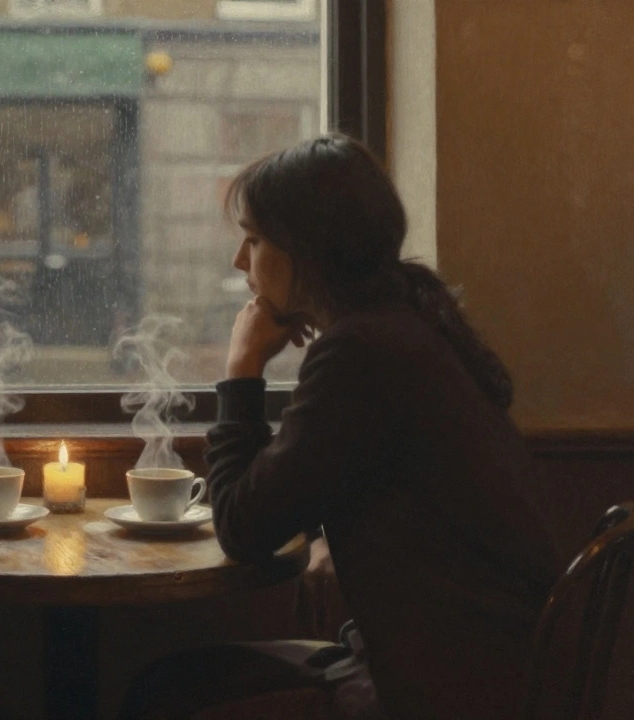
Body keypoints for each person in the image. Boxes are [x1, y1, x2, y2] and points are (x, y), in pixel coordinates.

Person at [119, 135, 559, 720]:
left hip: (436, 689)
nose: (239, 262)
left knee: (163, 697)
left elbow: (242, 528)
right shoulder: (403, 324)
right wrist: (328, 533)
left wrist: (242, 370)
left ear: (307, 249)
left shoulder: (360, 353)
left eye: (254, 239)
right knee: (169, 684)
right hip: (480, 665)